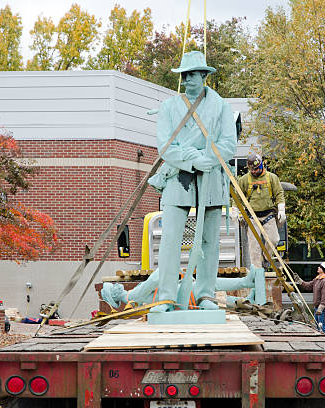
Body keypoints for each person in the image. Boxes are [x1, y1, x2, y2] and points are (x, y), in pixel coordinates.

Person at [147, 51, 237, 312]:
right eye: (184, 74)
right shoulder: (168, 107)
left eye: (193, 74)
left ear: (204, 76)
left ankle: (206, 295)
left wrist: (207, 159)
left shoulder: (221, 106)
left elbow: (229, 144)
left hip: (211, 176)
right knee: (170, 237)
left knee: (210, 240)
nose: (188, 79)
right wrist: (190, 159)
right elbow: (165, 145)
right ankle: (165, 297)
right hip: (178, 174)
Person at [100, 265, 267, 310]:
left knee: (216, 298)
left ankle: (246, 300)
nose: (117, 285)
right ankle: (246, 283)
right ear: (115, 295)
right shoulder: (133, 296)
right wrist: (172, 269)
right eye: (114, 287)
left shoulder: (133, 301)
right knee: (211, 285)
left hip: (182, 298)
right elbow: (156, 279)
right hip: (183, 294)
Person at [230, 152, 285, 270]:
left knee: (274, 239)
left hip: (268, 215)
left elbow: (279, 193)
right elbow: (237, 197)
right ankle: (257, 271)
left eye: (256, 169)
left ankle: (266, 257)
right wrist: (235, 210)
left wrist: (281, 208)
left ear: (261, 165)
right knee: (254, 246)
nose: (254, 172)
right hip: (252, 217)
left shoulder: (271, 178)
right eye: (252, 170)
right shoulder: (244, 180)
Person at [294, 261, 325, 334]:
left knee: (321, 328)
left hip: (322, 308)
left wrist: (321, 307)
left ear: (324, 269)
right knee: (317, 328)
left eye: (320, 267)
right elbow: (308, 286)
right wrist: (299, 280)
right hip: (317, 307)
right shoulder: (317, 279)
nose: (318, 267)